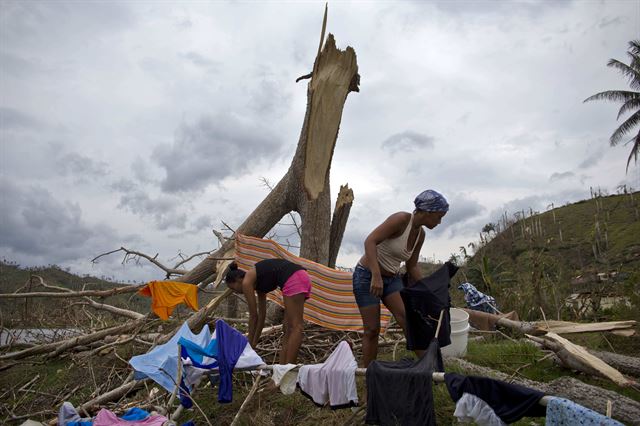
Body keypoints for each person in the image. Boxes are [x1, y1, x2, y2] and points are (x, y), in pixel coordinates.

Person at [353, 189, 449, 366]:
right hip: (367, 276)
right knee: (372, 330)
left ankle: (430, 367)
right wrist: (375, 275)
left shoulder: (421, 234)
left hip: (391, 279)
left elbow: (411, 266)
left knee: (409, 320)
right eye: (438, 216)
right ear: (427, 212)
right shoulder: (401, 220)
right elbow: (370, 241)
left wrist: (428, 291)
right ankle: (369, 376)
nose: (440, 221)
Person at [225, 259, 311, 363]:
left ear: (238, 280)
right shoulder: (259, 285)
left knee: (296, 326)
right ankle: (282, 368)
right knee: (287, 328)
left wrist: (247, 347)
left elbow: (253, 317)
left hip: (293, 279)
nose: (236, 292)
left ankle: (289, 368)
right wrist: (253, 345)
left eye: (233, 288)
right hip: (301, 277)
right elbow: (261, 317)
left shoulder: (246, 281)